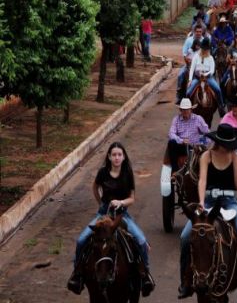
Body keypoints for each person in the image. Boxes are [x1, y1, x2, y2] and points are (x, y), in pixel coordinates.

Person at [179, 124, 237, 301]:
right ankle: (185, 281)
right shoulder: (207, 156)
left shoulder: (235, 156)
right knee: (185, 237)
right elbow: (202, 181)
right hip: (208, 201)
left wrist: (236, 162)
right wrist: (200, 203)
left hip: (230, 201)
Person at [67, 142, 155, 296]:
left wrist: (121, 202)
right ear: (109, 156)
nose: (116, 157)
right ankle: (77, 275)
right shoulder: (103, 172)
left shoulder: (127, 173)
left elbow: (132, 198)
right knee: (81, 240)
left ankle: (145, 276)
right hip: (103, 215)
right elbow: (95, 187)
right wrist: (101, 203)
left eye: (119, 154)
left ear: (124, 157)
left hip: (122, 215)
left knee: (141, 241)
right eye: (113, 154)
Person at [168, 98, 209, 171]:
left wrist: (202, 144)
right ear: (180, 110)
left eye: (187, 109)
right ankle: (175, 171)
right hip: (182, 146)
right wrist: (181, 141)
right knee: (171, 143)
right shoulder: (176, 119)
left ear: (191, 109)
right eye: (183, 109)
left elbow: (207, 133)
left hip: (194, 147)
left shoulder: (198, 119)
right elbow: (171, 133)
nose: (185, 111)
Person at [187, 38, 225, 115]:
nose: (205, 50)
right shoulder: (196, 56)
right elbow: (192, 68)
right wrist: (190, 79)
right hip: (197, 78)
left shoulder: (210, 58)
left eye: (206, 49)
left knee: (218, 89)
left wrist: (205, 74)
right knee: (188, 92)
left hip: (208, 78)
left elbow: (212, 70)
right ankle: (187, 108)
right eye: (203, 48)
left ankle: (221, 107)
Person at [177, 26, 205, 103]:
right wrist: (189, 62)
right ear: (194, 32)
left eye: (200, 31)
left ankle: (218, 101)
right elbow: (185, 54)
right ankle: (179, 96)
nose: (198, 33)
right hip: (189, 65)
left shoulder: (204, 40)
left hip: (201, 67)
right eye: (197, 31)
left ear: (202, 32)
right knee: (180, 75)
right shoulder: (188, 40)